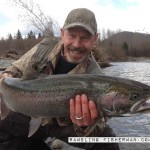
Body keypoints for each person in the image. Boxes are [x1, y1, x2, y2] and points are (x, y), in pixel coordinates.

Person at [0, 8, 120, 150]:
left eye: (85, 38)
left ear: (95, 38)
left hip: (67, 129)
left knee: (107, 142)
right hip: (30, 114)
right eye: (71, 35)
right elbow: (16, 69)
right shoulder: (44, 48)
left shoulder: (98, 78)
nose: (76, 44)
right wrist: (6, 77)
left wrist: (85, 125)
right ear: (62, 34)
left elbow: (100, 124)